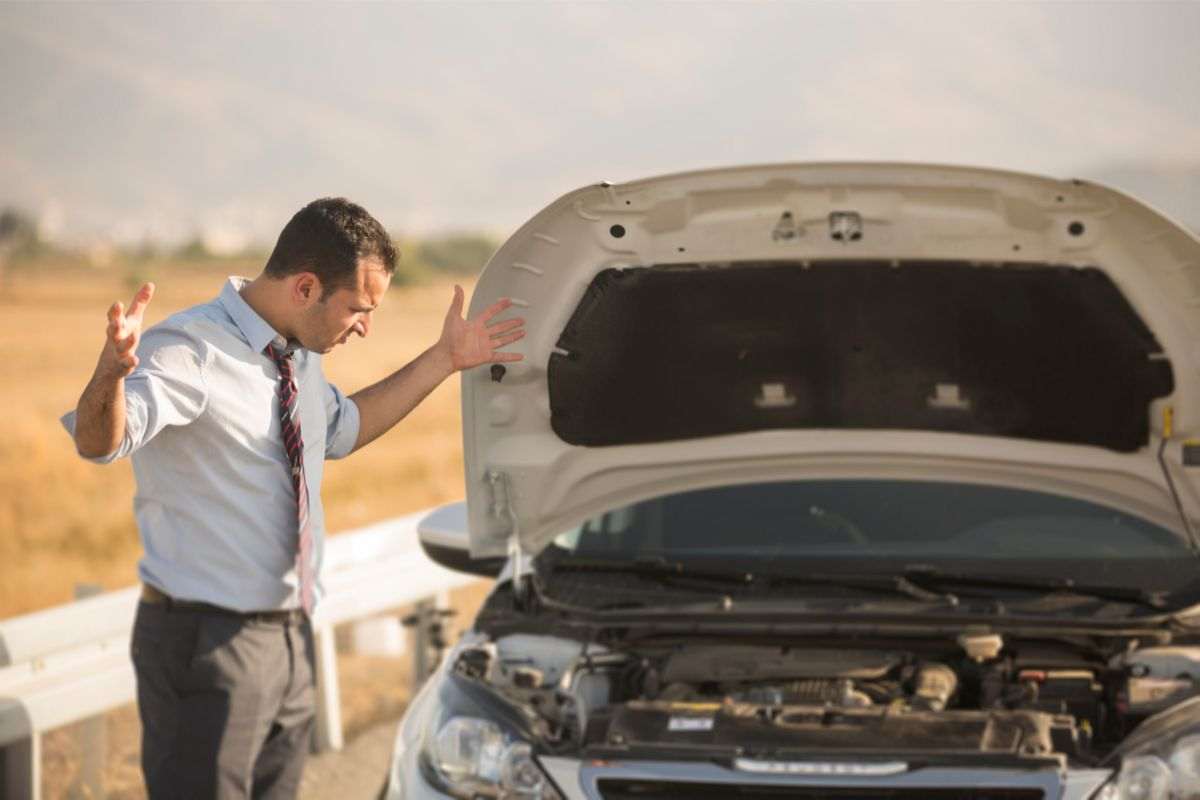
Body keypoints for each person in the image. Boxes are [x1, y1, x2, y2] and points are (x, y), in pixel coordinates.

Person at [61, 197, 525, 799]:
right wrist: (110, 376)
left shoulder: (297, 358)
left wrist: (445, 360)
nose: (365, 326)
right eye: (359, 309)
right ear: (306, 287)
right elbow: (101, 443)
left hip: (290, 636)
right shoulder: (190, 349)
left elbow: (345, 428)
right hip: (207, 643)